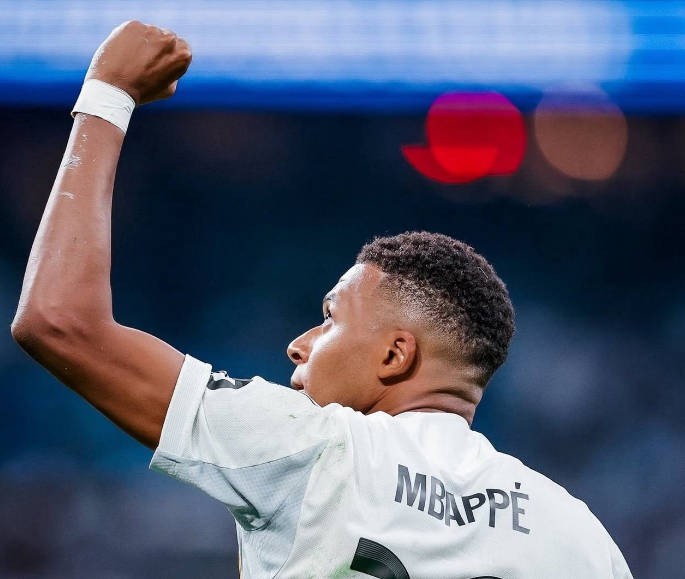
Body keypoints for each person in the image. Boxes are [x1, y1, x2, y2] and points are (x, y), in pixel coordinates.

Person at [11, 21, 632, 579]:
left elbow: (57, 321)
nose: (299, 344)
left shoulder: (317, 449)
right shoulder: (581, 536)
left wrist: (108, 93)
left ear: (394, 355)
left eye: (330, 319)